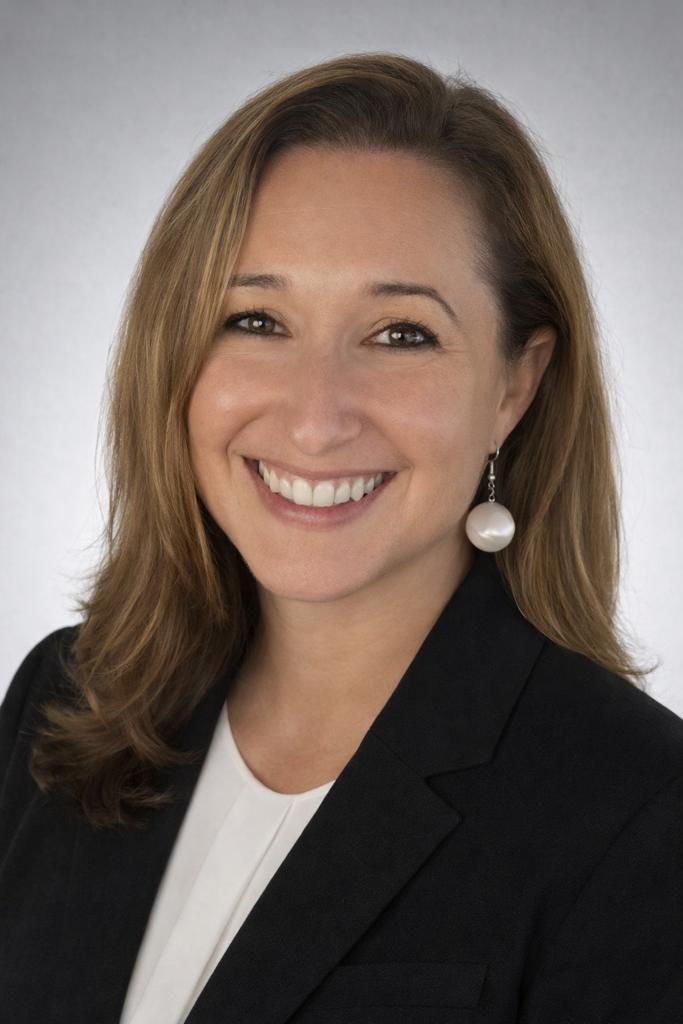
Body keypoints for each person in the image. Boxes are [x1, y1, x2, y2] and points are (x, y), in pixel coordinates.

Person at [1, 51, 682, 1024]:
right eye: (255, 318)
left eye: (400, 333)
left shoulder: (639, 816)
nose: (316, 418)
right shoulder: (60, 705)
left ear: (512, 385)